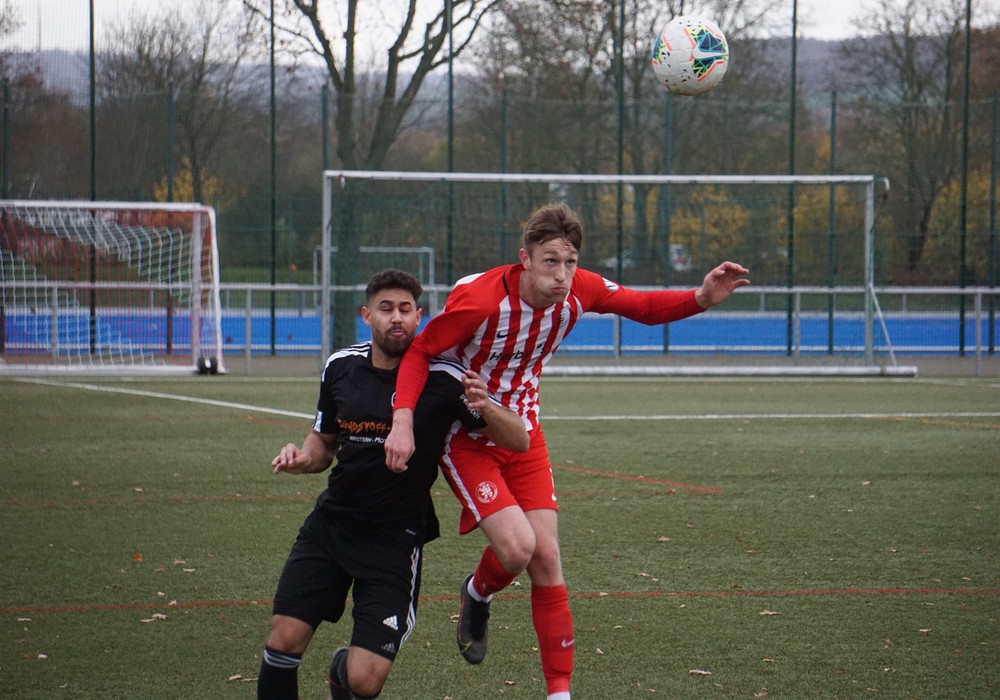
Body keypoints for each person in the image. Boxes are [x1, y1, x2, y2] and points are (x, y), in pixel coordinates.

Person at [384, 203, 750, 700]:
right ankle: (478, 590)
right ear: (525, 259)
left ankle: (559, 692)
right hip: (467, 435)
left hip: (524, 432)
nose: (562, 274)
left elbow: (643, 307)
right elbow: (422, 351)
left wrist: (702, 297)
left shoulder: (580, 290)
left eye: (570, 262)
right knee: (518, 549)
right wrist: (402, 421)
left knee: (547, 558)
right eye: (550, 261)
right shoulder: (482, 301)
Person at [256, 269, 529, 700]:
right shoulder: (341, 366)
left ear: (420, 317)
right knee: (283, 639)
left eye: (405, 309)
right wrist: (303, 458)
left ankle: (341, 671)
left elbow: (520, 439)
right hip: (332, 525)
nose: (396, 318)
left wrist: (488, 408)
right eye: (386, 309)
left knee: (365, 679)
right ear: (367, 315)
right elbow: (323, 444)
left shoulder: (445, 378)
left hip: (394, 540)